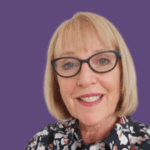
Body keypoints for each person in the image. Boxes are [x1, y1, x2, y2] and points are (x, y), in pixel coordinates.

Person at [24, 12, 150, 150]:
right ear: (56, 81)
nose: (85, 80)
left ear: (123, 71)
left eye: (102, 60)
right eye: (69, 65)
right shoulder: (42, 142)